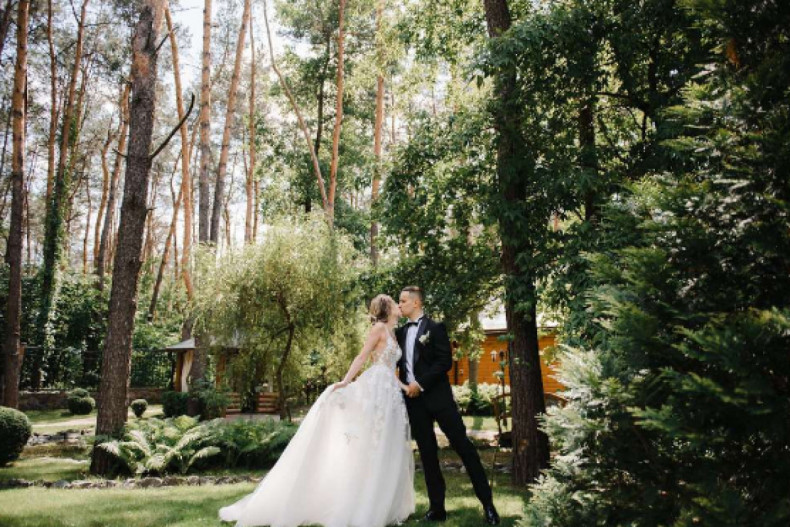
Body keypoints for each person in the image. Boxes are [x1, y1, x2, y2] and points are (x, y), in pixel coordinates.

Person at [219, 294, 415, 527]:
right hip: (376, 390)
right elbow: (362, 356)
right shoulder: (379, 329)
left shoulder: (393, 332)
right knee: (372, 443)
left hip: (390, 392)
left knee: (387, 443)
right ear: (387, 308)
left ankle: (382, 503)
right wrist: (346, 381)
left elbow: (388, 368)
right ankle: (363, 504)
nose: (398, 305)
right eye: (394, 302)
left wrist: (405, 387)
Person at [397, 285, 500, 525]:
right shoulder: (400, 333)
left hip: (439, 400)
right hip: (415, 404)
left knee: (464, 448)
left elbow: (444, 362)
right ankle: (437, 509)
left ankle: (488, 505)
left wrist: (420, 383)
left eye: (403, 301)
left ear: (416, 303)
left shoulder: (435, 328)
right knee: (428, 455)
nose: (399, 305)